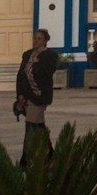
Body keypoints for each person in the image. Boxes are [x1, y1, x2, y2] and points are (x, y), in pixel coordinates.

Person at [14, 28, 58, 164]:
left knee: (30, 125)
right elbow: (20, 75)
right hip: (26, 95)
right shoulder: (27, 55)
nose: (36, 41)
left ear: (45, 41)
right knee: (38, 125)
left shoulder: (49, 55)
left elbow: (46, 74)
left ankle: (25, 160)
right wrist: (20, 94)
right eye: (34, 38)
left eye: (39, 38)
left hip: (39, 95)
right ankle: (51, 153)